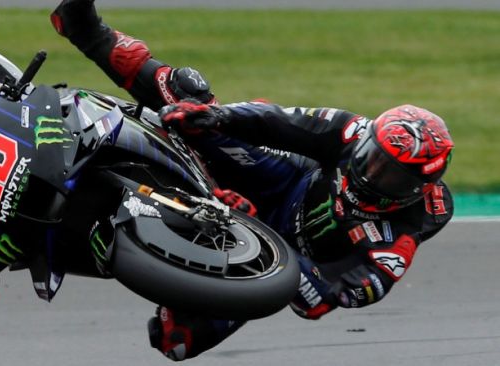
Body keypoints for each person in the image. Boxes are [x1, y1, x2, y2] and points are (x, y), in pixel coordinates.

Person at [50, 0, 455, 361]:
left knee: (175, 341)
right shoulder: (355, 132)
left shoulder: (398, 240)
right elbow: (279, 120)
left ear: (417, 188)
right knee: (186, 98)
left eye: (389, 173)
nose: (369, 170)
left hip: (280, 260)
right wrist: (217, 117)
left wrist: (255, 227)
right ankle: (87, 31)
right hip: (285, 180)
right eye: (372, 157)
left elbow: (317, 303)